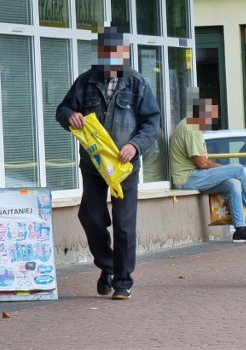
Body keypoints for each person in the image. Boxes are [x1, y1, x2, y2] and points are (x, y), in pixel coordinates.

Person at [55, 25, 160, 300]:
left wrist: (134, 145)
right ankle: (109, 265)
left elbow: (151, 122)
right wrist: (70, 117)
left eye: (116, 51)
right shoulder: (86, 81)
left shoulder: (137, 83)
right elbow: (63, 109)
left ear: (124, 52)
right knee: (91, 217)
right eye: (106, 52)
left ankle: (122, 281)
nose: (111, 57)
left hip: (124, 167)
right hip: (93, 165)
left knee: (124, 224)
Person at [169, 89, 246, 244]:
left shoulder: (193, 126)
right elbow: (202, 163)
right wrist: (224, 169)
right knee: (237, 169)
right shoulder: (191, 127)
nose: (211, 121)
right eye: (211, 116)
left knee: (234, 184)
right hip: (187, 178)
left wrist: (224, 172)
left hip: (195, 176)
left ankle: (240, 230)